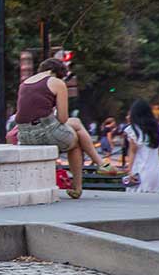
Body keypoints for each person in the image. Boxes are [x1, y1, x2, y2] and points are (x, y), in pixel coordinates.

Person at [14, 57, 113, 199]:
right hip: (45, 132)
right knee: (76, 135)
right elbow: (63, 118)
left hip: (23, 135)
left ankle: (99, 165)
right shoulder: (56, 82)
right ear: (57, 73)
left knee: (76, 127)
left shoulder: (24, 83)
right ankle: (89, 174)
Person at [121, 98, 159, 194]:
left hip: (139, 169)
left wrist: (129, 170)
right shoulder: (158, 129)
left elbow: (132, 151)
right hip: (155, 171)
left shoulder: (133, 130)